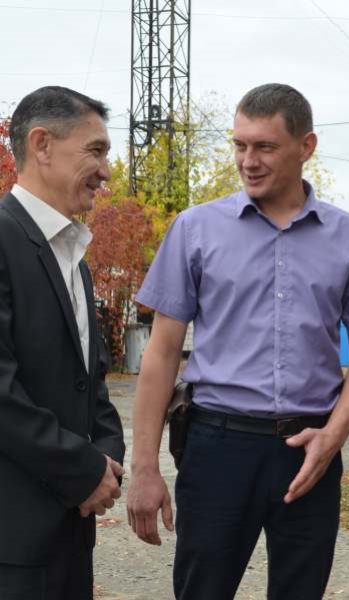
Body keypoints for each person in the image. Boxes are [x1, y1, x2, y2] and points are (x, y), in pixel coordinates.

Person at [126, 83, 349, 600]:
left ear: (307, 146)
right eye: (240, 145)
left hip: (309, 449)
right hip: (216, 446)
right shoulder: (195, 229)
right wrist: (144, 467)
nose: (248, 161)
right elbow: (160, 354)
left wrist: (333, 436)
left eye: (265, 147)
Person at [0, 86, 125, 599]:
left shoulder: (74, 257)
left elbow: (90, 381)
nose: (106, 171)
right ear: (42, 145)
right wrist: (83, 470)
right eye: (95, 151)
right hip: (12, 542)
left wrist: (107, 457)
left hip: (70, 533)